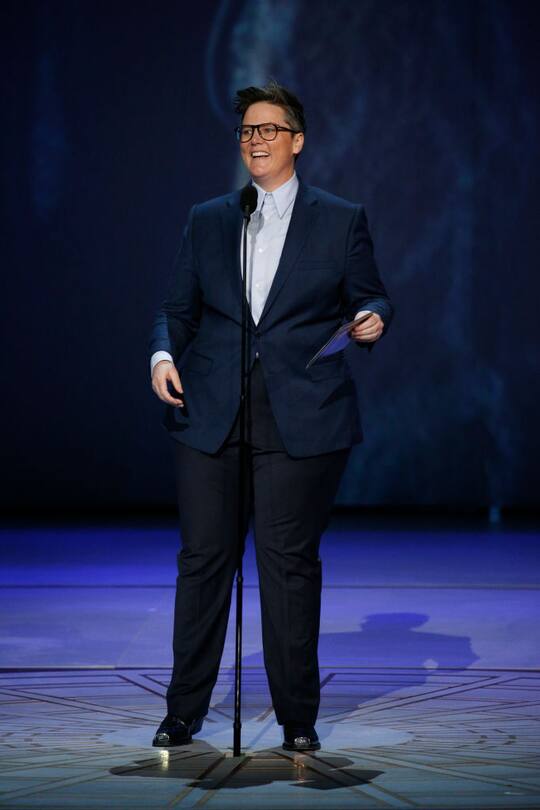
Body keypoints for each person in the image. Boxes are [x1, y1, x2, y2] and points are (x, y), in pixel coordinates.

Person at [148, 81, 394, 751]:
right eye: (247, 131)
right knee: (204, 561)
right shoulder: (211, 218)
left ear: (298, 139)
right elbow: (176, 309)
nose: (255, 140)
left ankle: (298, 719)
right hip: (210, 414)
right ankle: (183, 711)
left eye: (268, 129)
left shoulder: (340, 218)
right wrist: (163, 355)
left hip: (302, 415)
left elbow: (372, 297)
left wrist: (371, 320)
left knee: (288, 565)